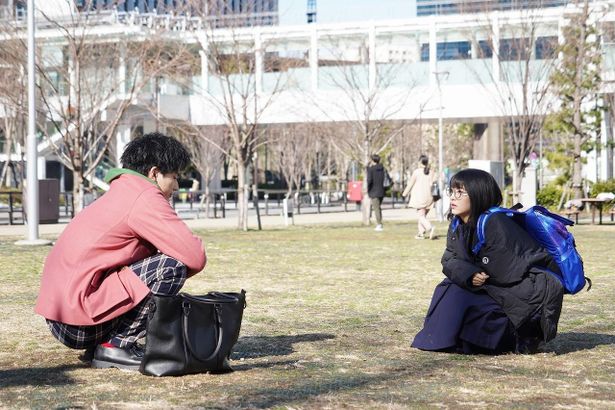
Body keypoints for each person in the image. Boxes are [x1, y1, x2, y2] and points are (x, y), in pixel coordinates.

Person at [35, 132, 206, 371]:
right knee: (171, 266)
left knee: (155, 263)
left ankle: (104, 345)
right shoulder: (144, 195)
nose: (176, 186)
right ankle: (117, 346)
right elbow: (194, 255)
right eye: (174, 177)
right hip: (78, 322)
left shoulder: (121, 191)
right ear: (154, 173)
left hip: (62, 316)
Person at [411, 169, 564, 354]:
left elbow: (507, 271)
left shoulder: (495, 221)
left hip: (525, 296)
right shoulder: (458, 223)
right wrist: (469, 274)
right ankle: (449, 338)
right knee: (449, 287)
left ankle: (521, 337)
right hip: (496, 288)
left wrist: (474, 274)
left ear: (478, 194)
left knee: (457, 292)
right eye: (451, 191)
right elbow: (449, 258)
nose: (453, 197)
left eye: (460, 192)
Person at [402, 154, 436, 239]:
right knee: (423, 216)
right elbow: (433, 184)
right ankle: (421, 233)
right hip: (429, 197)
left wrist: (404, 193)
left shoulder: (417, 172)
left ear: (420, 162)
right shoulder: (431, 171)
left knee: (421, 216)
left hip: (420, 197)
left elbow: (410, 184)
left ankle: (430, 228)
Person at [367, 154, 388, 231]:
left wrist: (368, 189)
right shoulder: (383, 168)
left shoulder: (371, 169)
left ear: (372, 160)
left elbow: (369, 181)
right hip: (381, 190)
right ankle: (379, 223)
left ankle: (379, 224)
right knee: (378, 208)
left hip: (374, 191)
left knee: (376, 208)